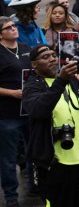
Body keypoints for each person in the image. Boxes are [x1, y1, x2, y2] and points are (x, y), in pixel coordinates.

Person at [22, 45, 79, 206]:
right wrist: (61, 80)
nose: (52, 59)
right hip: (56, 163)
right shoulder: (32, 86)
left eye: (53, 55)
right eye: (45, 57)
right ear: (34, 65)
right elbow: (39, 110)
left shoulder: (71, 80)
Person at [0, 16, 32, 207]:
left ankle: (35, 185)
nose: (13, 29)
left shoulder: (25, 48)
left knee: (33, 152)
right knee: (8, 159)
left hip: (28, 111)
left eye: (13, 26)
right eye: (8, 27)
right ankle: (11, 196)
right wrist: (11, 93)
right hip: (7, 115)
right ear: (1, 34)